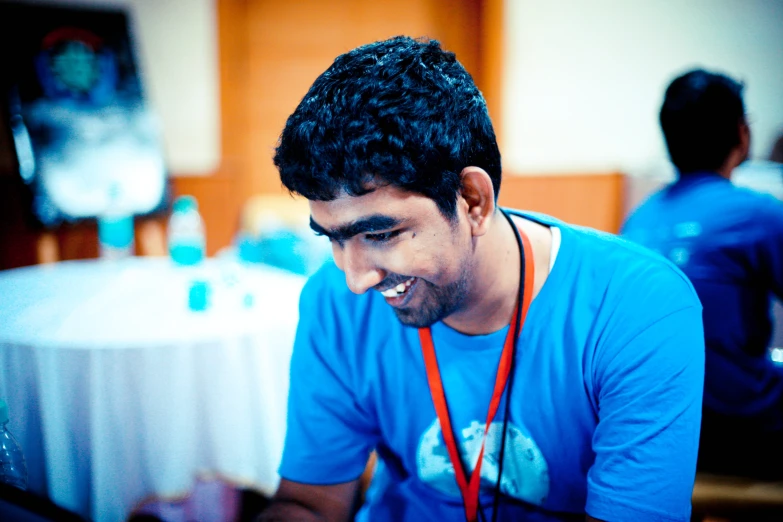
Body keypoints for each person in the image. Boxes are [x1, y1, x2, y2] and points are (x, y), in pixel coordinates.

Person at [261, 36, 704, 522]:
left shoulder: (638, 309)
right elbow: (309, 504)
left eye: (382, 233)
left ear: (472, 199)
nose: (356, 279)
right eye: (333, 238)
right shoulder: (332, 302)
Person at [622, 68, 783, 479]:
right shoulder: (759, 213)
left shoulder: (638, 220)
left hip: (654, 422)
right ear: (741, 133)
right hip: (736, 428)